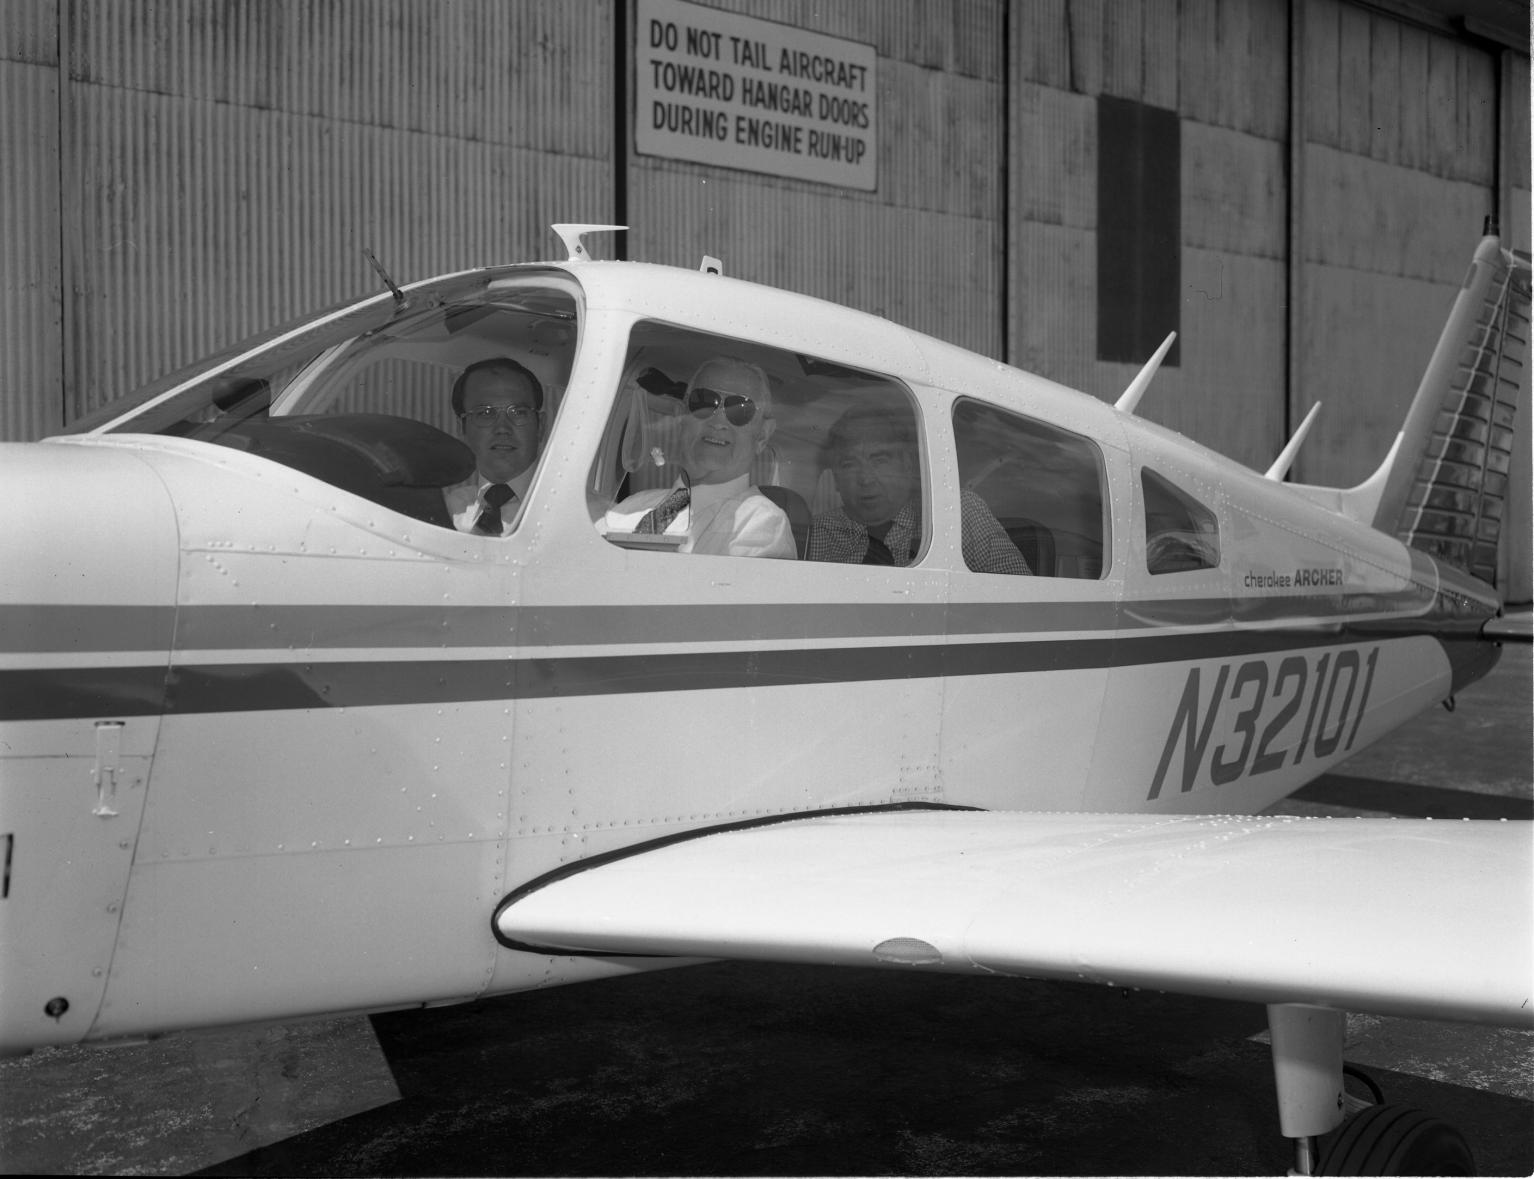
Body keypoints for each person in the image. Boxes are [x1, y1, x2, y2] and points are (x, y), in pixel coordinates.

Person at [808, 400, 1031, 574]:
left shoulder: (956, 514)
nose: (865, 478)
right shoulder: (815, 534)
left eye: (880, 460)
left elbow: (1020, 600)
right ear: (835, 478)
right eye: (849, 464)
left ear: (907, 464)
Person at [603, 357, 795, 558]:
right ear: (681, 416)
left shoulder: (763, 523)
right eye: (703, 402)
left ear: (763, 435)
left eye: (740, 410)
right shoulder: (634, 506)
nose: (718, 421)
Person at [442, 357, 545, 536]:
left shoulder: (590, 520)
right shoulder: (449, 512)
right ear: (462, 427)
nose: (503, 429)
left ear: (541, 426)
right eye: (485, 413)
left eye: (518, 412)